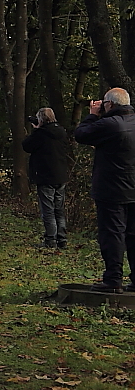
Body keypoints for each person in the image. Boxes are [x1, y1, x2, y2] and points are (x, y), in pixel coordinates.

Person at [73, 87, 135, 292]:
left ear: (110, 104)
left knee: (112, 234)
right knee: (133, 235)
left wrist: (92, 115)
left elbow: (81, 134)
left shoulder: (110, 124)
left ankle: (113, 280)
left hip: (112, 188)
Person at [23, 107, 71, 249]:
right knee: (59, 209)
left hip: (46, 176)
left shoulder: (41, 133)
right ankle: (61, 239)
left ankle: (50, 239)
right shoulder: (61, 131)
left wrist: (36, 129)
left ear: (41, 119)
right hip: (60, 175)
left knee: (48, 210)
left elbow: (26, 146)